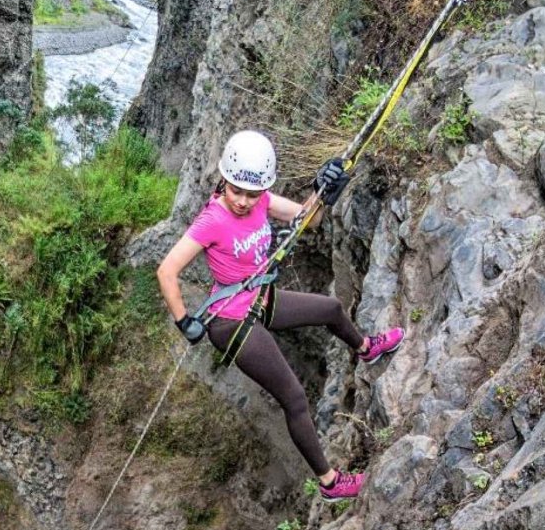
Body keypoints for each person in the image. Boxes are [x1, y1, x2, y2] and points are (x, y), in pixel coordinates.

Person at [156, 130, 403, 501]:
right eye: (235, 190)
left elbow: (309, 219)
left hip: (259, 297)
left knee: (332, 309)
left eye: (250, 194)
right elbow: (167, 270)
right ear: (224, 180)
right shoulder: (212, 220)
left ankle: (366, 348)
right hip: (230, 322)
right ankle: (330, 482)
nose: (242, 201)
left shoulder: (262, 200)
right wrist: (184, 320)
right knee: (294, 397)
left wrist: (325, 188)